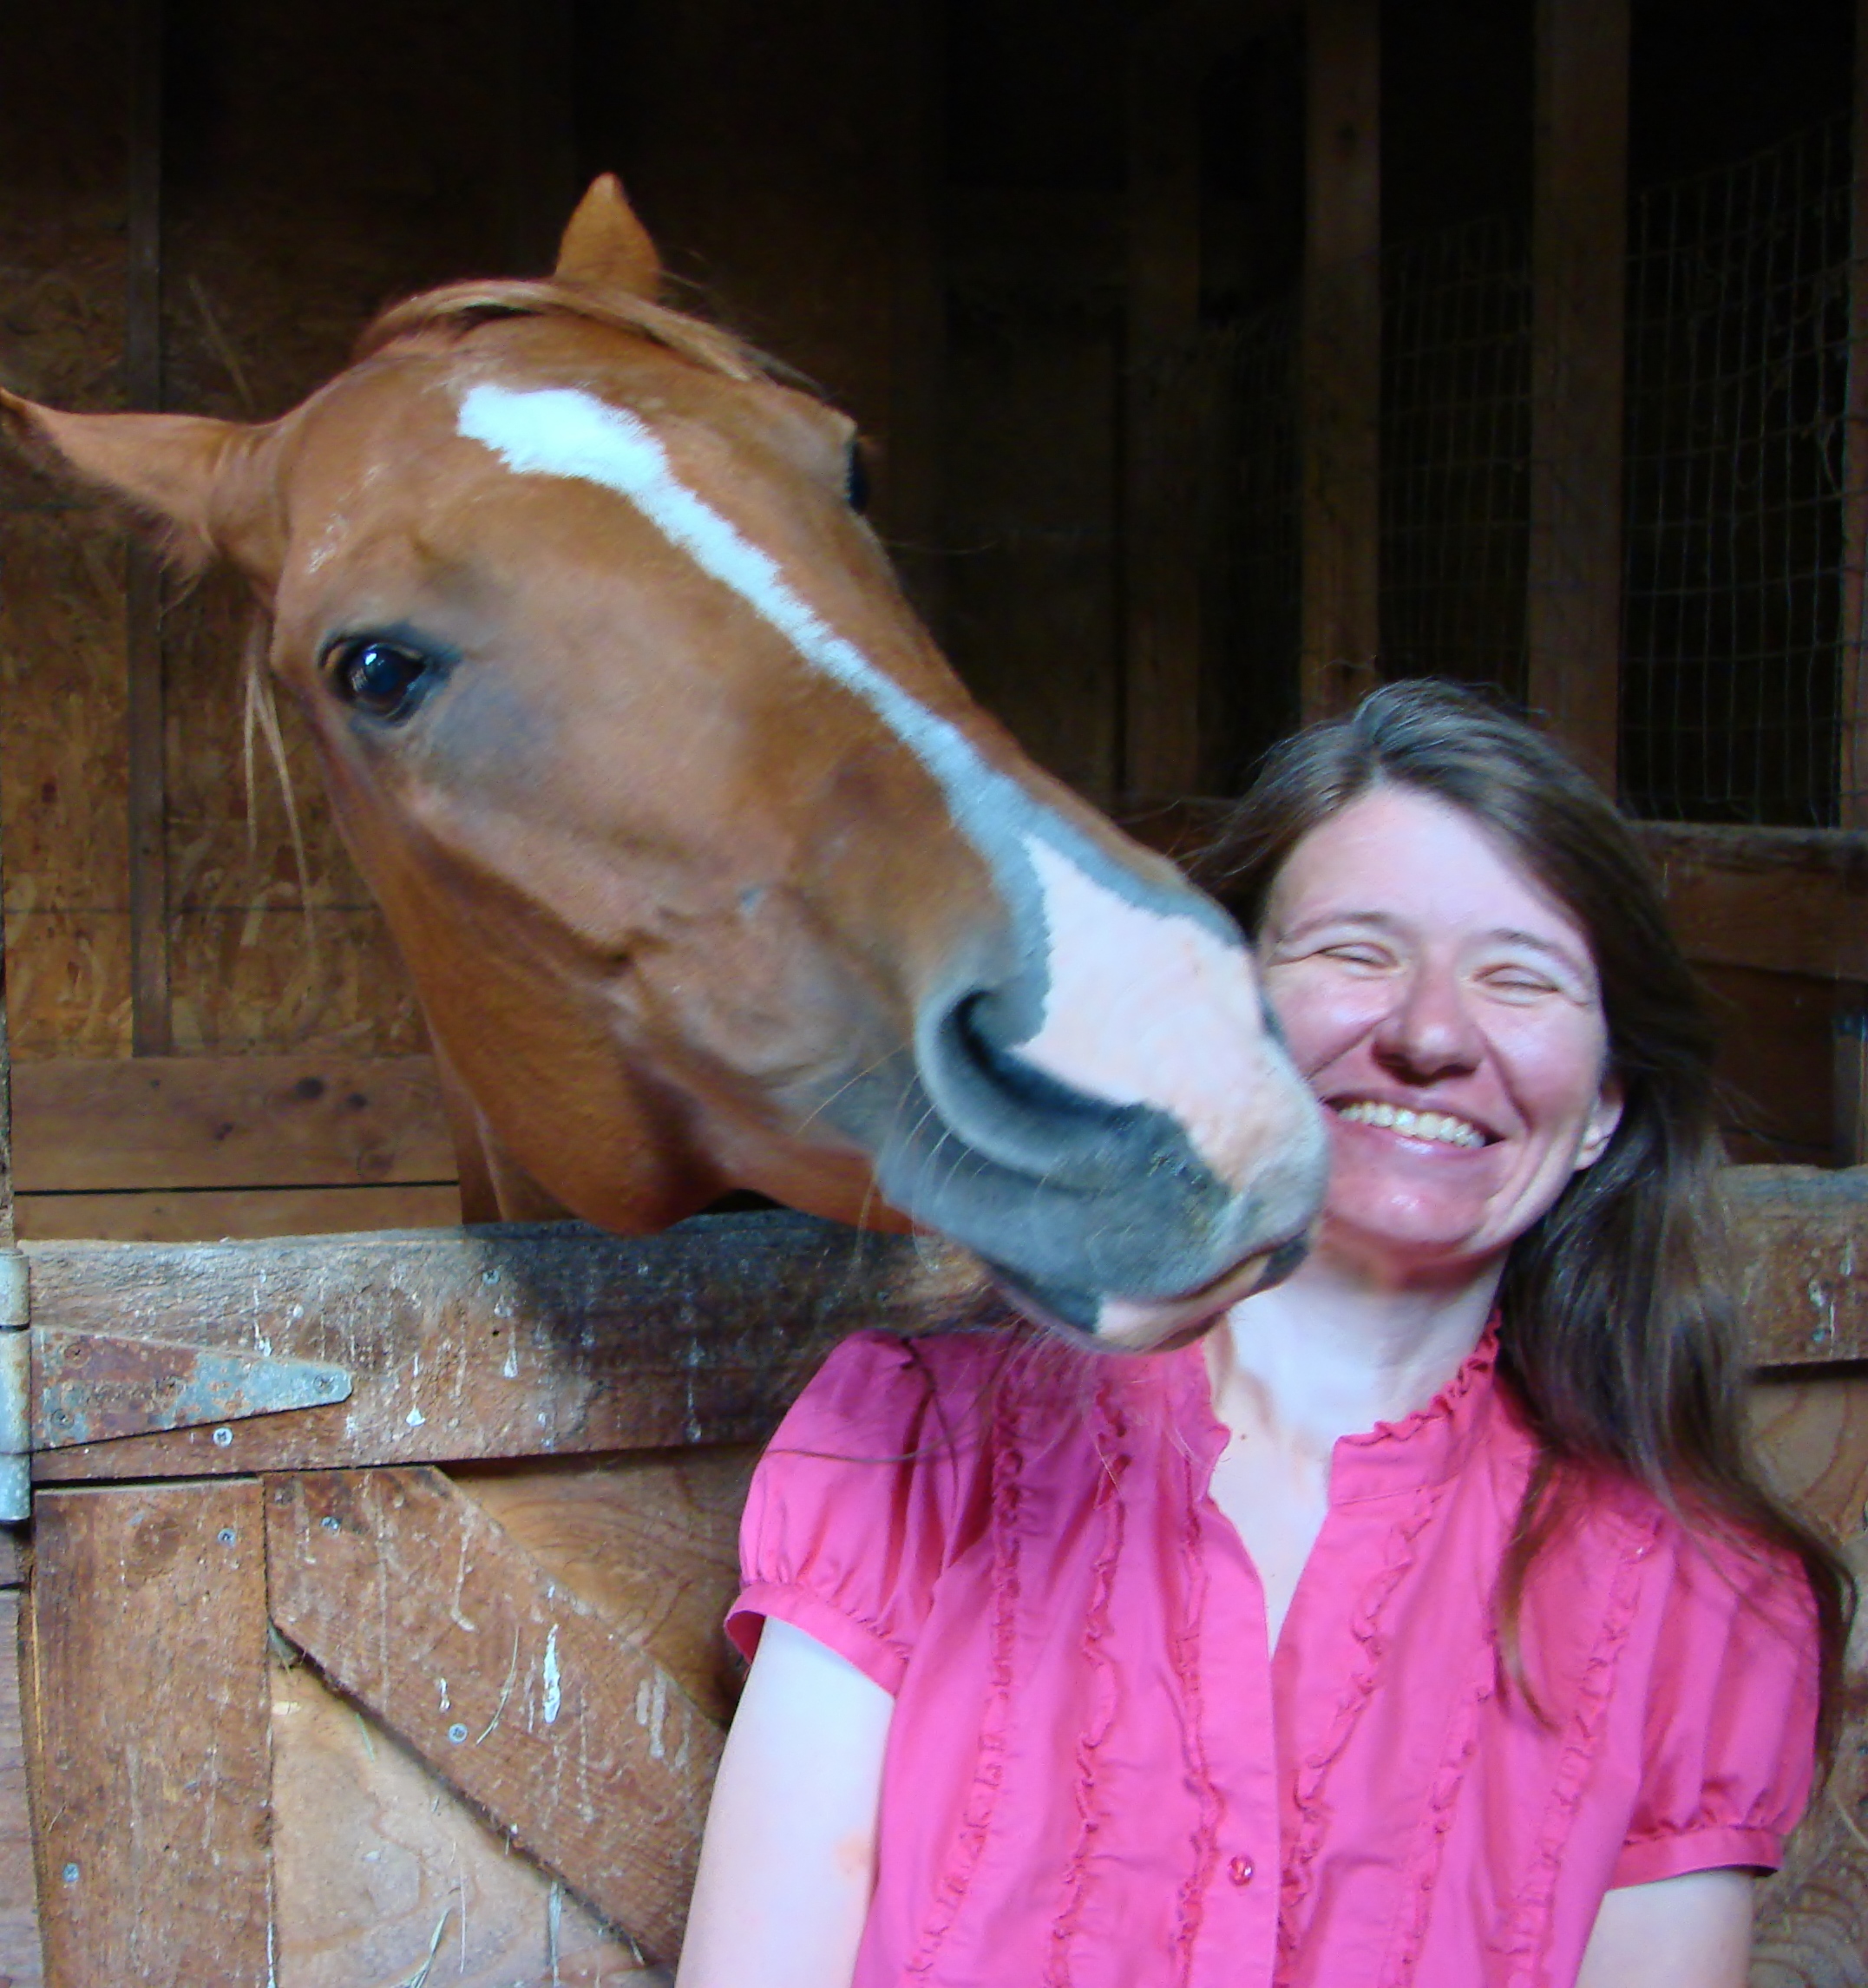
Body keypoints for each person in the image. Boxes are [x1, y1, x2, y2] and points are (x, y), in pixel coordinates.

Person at [675, 680, 1850, 1988]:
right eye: (1355, 951)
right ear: (1224, 1011)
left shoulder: (1697, 1597)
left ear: (1599, 1113)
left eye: (1519, 978)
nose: (1427, 1032)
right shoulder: (914, 1449)